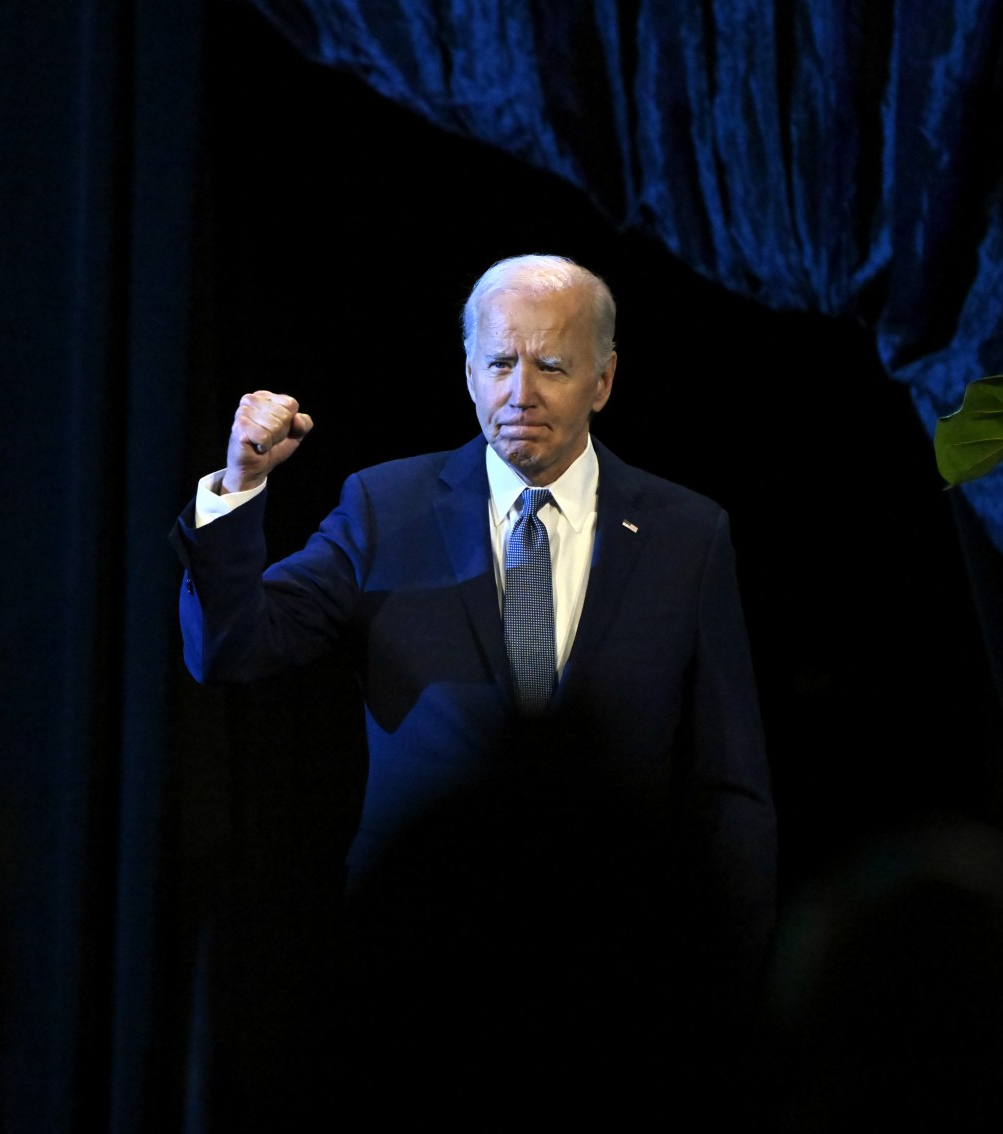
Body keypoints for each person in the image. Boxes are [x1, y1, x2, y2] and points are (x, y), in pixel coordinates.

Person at [170, 255, 776, 980]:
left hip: (620, 962)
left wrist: (731, 980)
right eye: (498, 364)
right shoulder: (383, 508)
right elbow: (231, 647)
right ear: (467, 374)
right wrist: (239, 486)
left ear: (603, 380)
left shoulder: (687, 535)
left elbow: (730, 789)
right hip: (416, 951)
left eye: (550, 366)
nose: (519, 393)